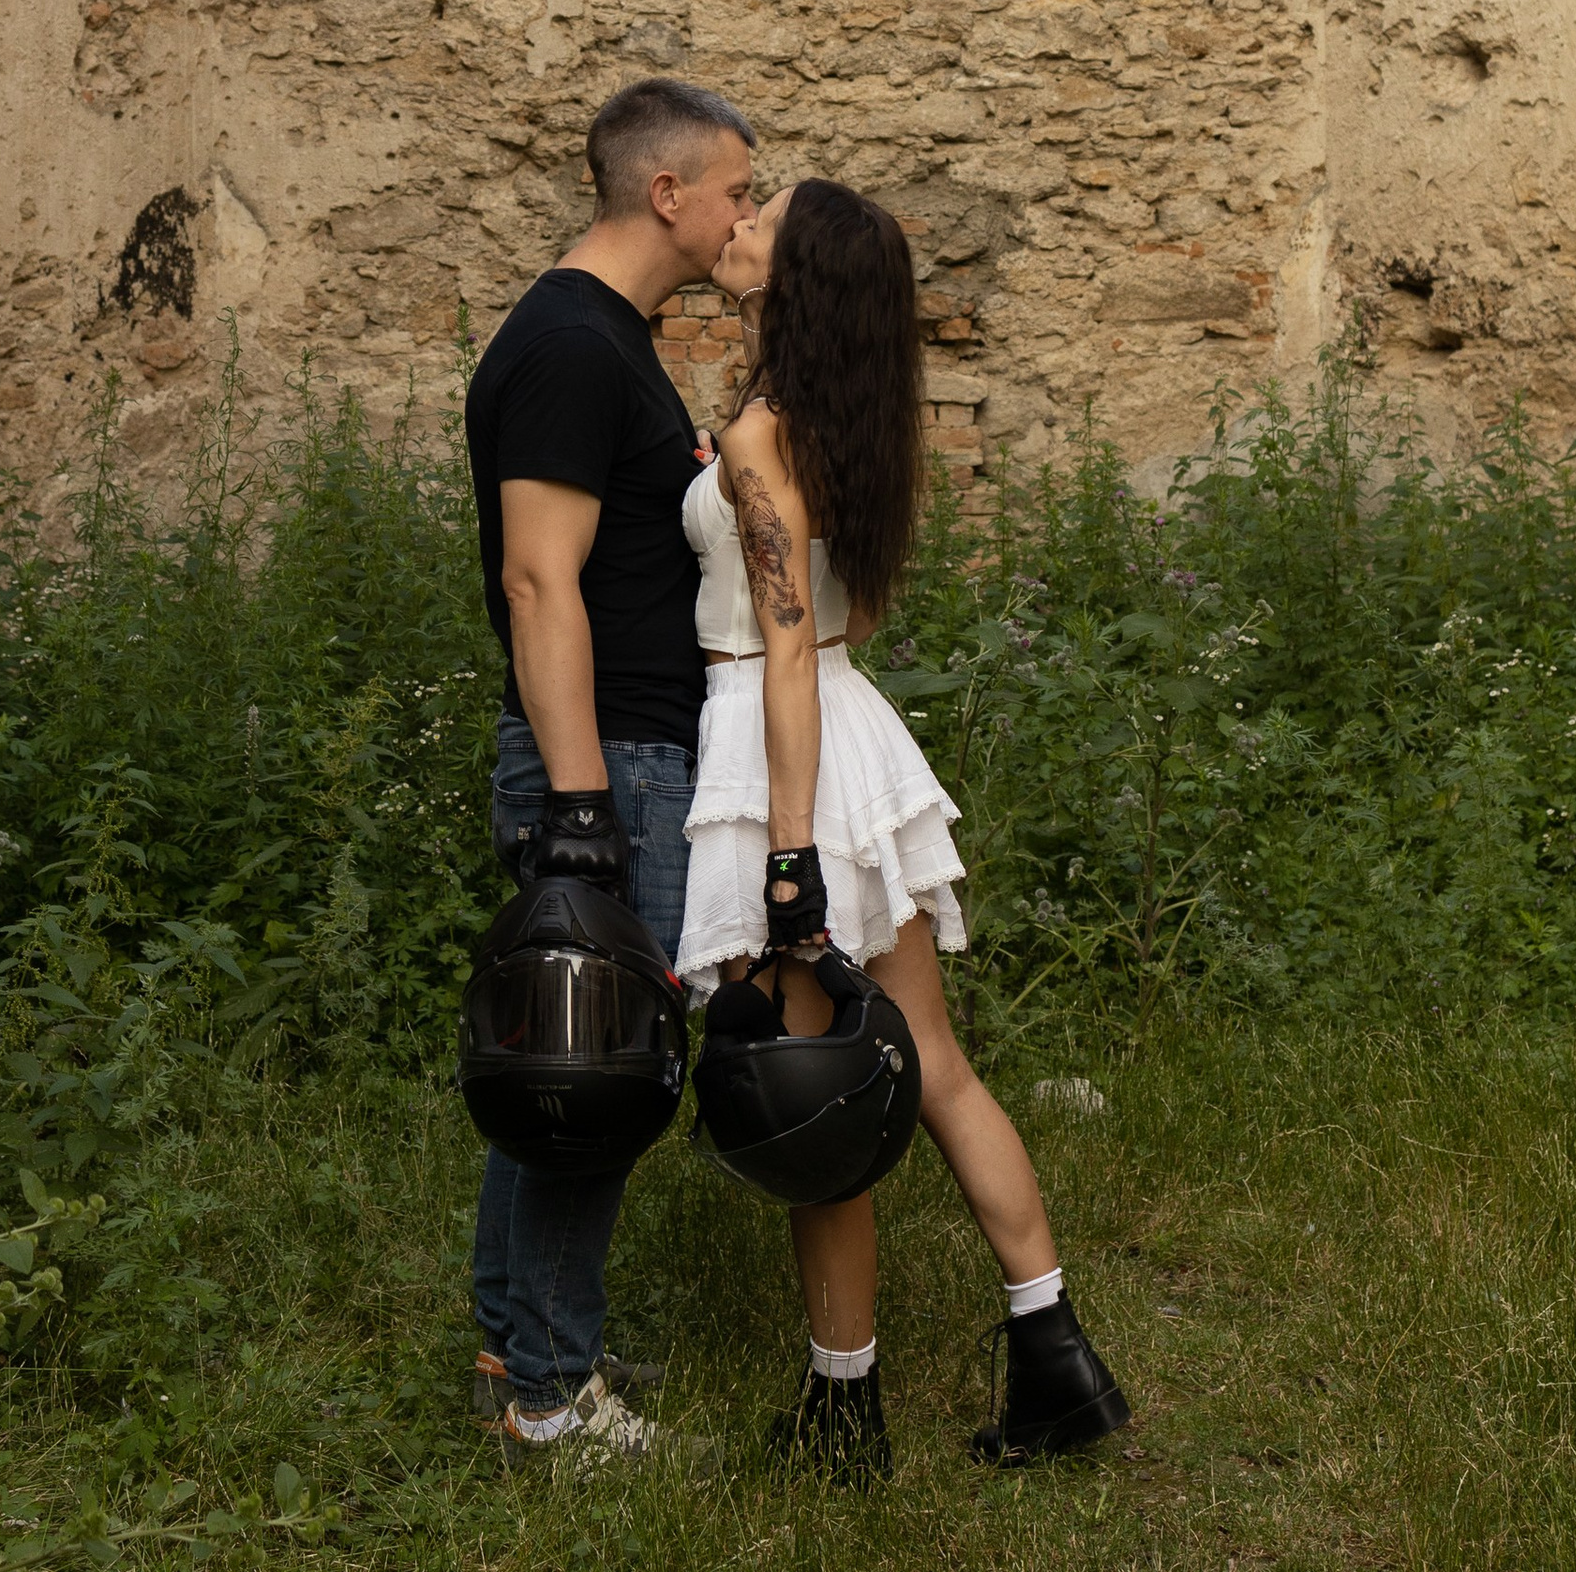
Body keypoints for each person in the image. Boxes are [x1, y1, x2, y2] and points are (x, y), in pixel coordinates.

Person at [677, 178, 1129, 1483]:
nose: (741, 222)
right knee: (931, 1060)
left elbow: (784, 645)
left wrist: (788, 855)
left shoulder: (768, 433)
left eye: (764, 216)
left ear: (798, 276)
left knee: (813, 1095)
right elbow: (846, 626)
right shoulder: (845, 423)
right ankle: (1058, 1360)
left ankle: (843, 1416)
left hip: (785, 752)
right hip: (850, 732)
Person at [463, 77, 759, 1459]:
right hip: (612, 761)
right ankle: (550, 1396)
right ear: (667, 193)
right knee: (597, 1068)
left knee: (556, 1056)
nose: (741, 217)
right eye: (736, 192)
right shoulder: (575, 345)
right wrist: (582, 804)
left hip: (632, 751)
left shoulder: (608, 337)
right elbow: (539, 582)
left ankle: (516, 1338)